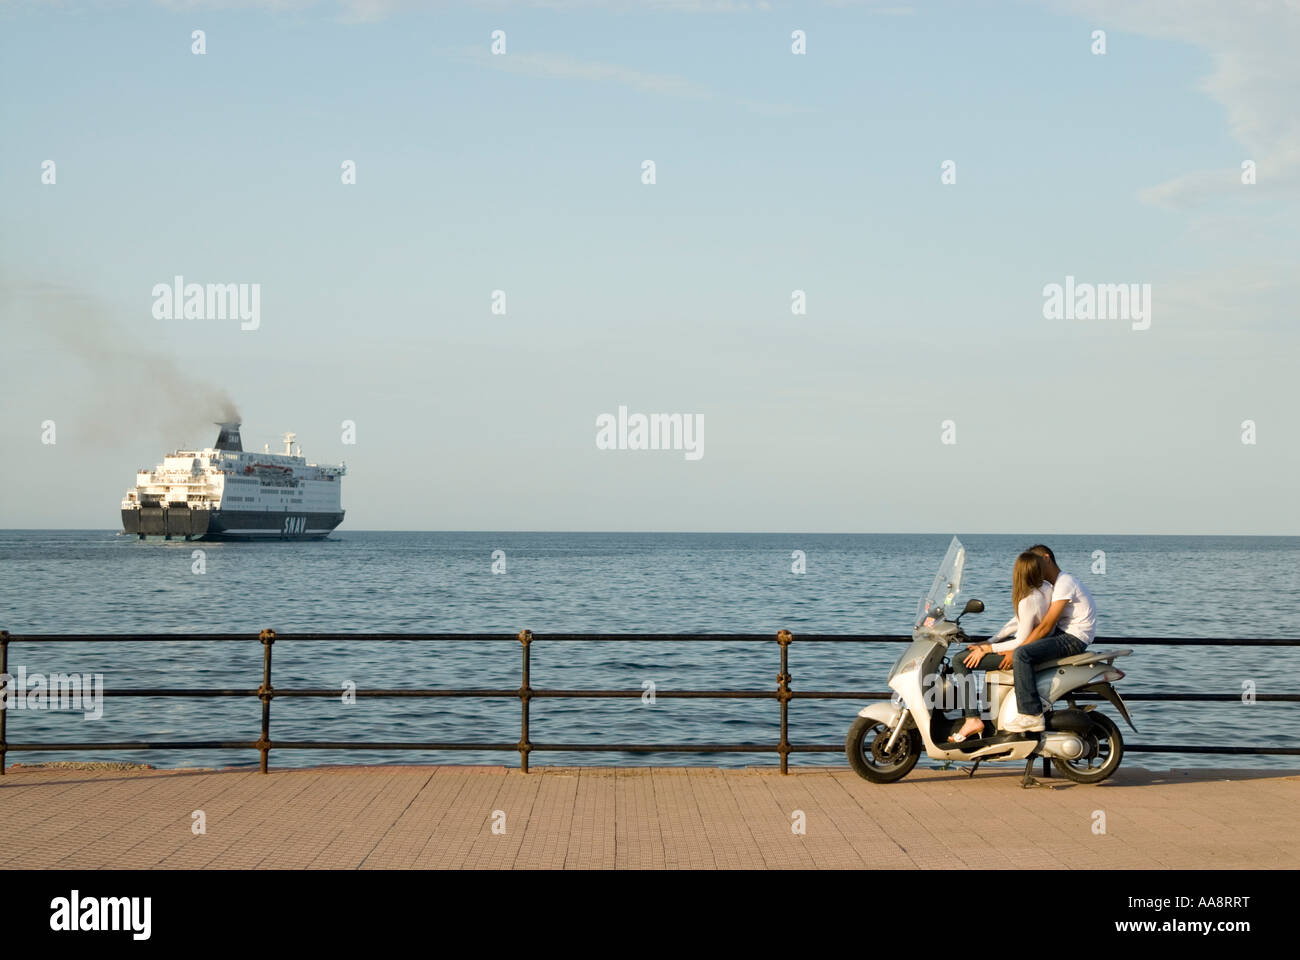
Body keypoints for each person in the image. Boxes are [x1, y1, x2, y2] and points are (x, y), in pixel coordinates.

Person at [946, 551, 1053, 741]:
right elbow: (1018, 622)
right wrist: (991, 641)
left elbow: (1021, 640)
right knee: (969, 653)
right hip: (1038, 646)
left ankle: (972, 718)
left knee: (959, 660)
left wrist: (988, 649)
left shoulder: (1028, 599)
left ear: (1018, 573)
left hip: (1024, 651)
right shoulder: (1045, 588)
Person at [1002, 543, 1097, 732]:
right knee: (1023, 650)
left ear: (1046, 558)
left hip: (1073, 638)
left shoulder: (1064, 583)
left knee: (1022, 655)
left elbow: (1045, 626)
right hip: (1064, 633)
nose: (1033, 569)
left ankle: (1031, 715)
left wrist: (1015, 650)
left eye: (1036, 563)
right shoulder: (1051, 586)